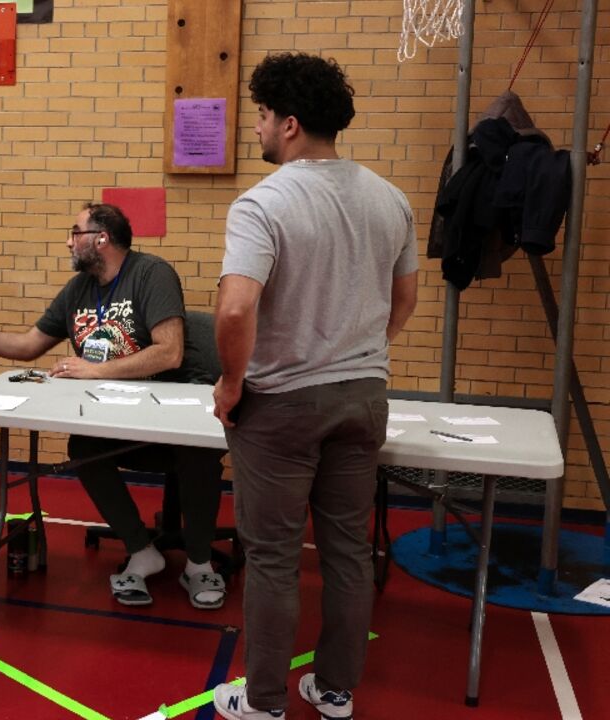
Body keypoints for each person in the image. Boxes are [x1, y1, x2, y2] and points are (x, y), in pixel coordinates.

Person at [210, 53, 417, 720]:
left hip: (284, 404)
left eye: (264, 117)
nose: (260, 130)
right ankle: (334, 692)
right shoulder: (391, 199)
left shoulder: (263, 202)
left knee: (272, 556)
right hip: (364, 394)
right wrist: (362, 350)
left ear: (290, 123)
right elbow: (403, 299)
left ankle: (265, 702)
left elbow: (237, 308)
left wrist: (231, 381)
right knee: (348, 549)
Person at [0, 202, 227, 609]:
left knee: (199, 454)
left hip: (168, 410)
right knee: (83, 449)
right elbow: (28, 346)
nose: (70, 241)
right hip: (112, 414)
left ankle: (199, 563)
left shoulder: (151, 273)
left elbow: (170, 352)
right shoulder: (78, 290)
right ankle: (142, 550)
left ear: (101, 239)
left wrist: (95, 370)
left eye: (76, 232)